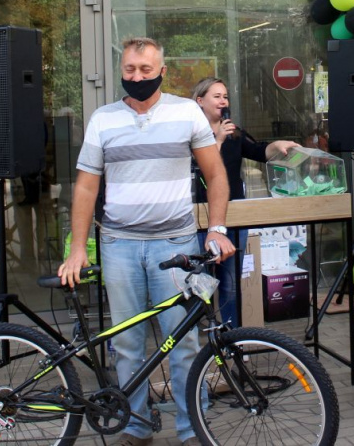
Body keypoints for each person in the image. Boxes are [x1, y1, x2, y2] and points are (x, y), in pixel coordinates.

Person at [58, 37, 235, 446]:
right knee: (126, 344)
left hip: (175, 246)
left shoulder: (187, 111)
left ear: (162, 72)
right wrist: (78, 248)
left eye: (145, 70)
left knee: (184, 343)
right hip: (119, 244)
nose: (136, 77)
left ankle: (194, 432)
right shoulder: (103, 118)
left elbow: (216, 175)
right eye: (130, 70)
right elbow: (86, 189)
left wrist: (217, 228)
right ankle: (136, 428)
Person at [191, 77, 299, 327]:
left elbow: (259, 151)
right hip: (199, 219)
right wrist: (216, 140)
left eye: (225, 96)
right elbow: (201, 169)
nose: (223, 101)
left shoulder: (234, 132)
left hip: (233, 217)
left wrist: (277, 146)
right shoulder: (191, 134)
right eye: (216, 96)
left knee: (229, 285)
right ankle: (200, 346)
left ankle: (232, 340)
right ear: (200, 101)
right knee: (200, 287)